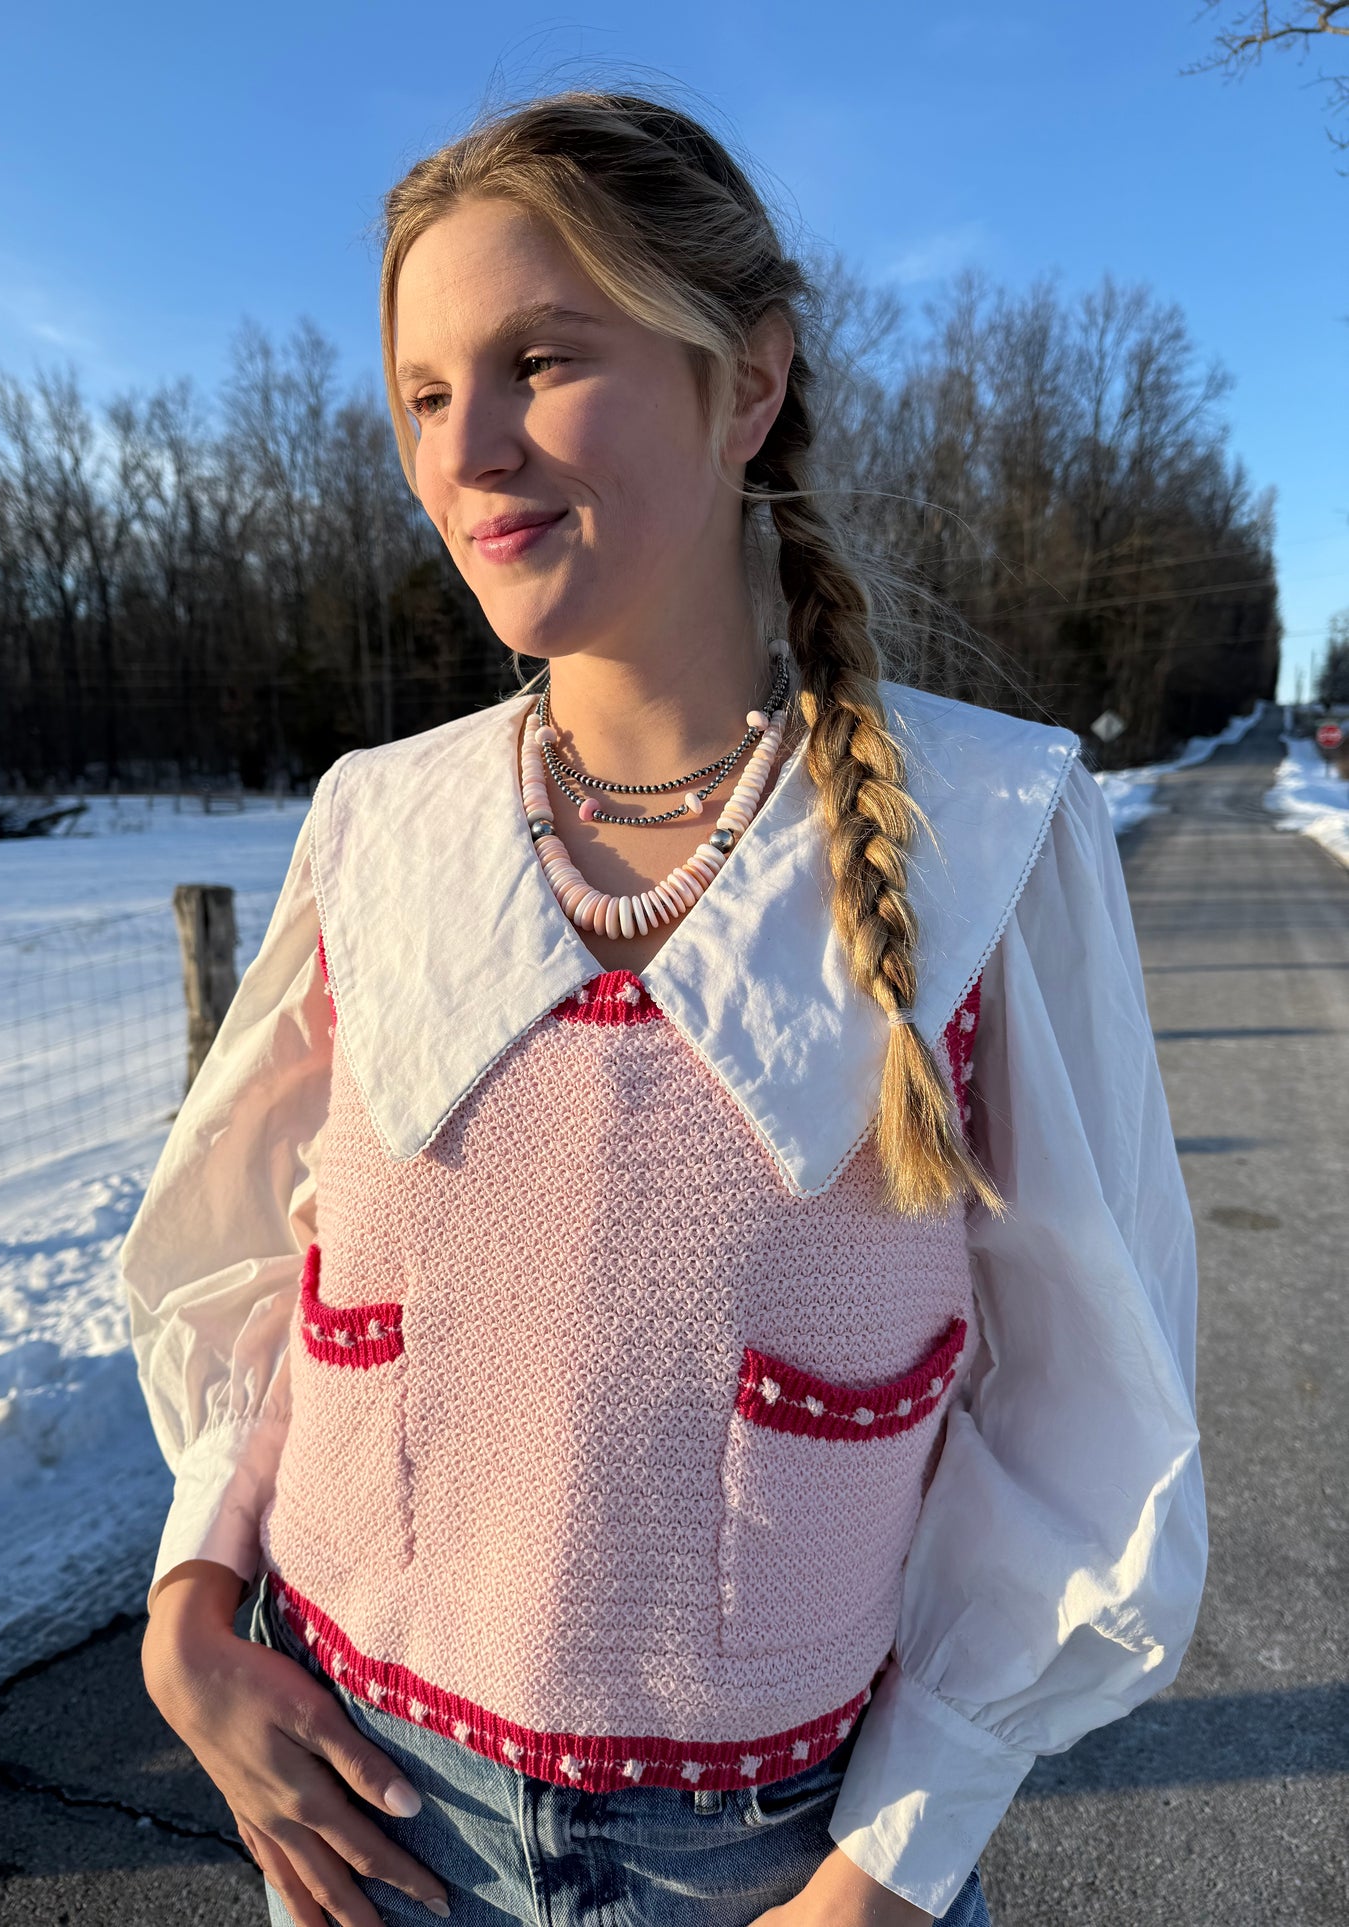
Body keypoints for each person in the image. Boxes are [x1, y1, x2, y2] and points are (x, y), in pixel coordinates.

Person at [122, 91, 1207, 1927]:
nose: (470, 452)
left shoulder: (986, 835)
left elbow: (1095, 1416)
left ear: (749, 385)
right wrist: (187, 1615)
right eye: (424, 396)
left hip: (771, 1866)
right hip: (363, 1826)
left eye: (540, 358)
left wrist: (889, 1862)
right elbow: (245, 1274)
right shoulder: (377, 827)